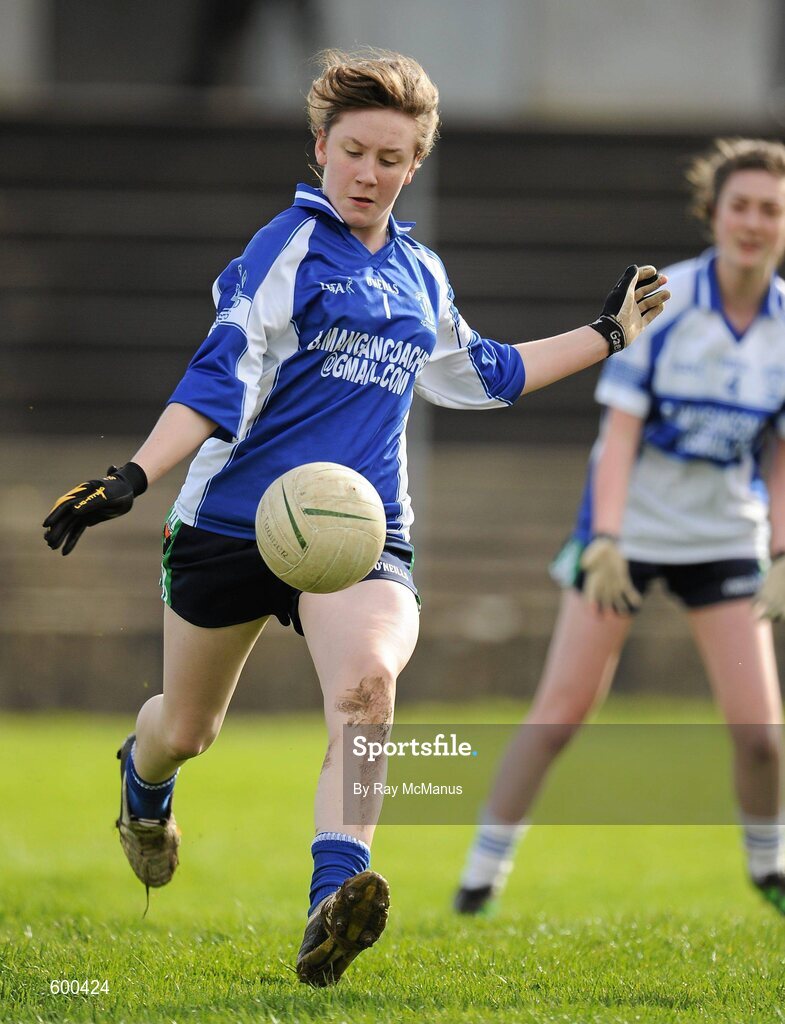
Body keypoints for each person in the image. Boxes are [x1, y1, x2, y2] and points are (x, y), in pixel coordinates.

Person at [42, 49, 668, 986]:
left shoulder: (420, 271)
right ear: (321, 149)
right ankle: (145, 781)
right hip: (232, 525)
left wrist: (609, 334)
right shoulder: (284, 251)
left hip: (359, 535)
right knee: (188, 728)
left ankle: (332, 902)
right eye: (355, 152)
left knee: (368, 687)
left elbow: (479, 373)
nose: (370, 173)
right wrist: (131, 476)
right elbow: (221, 377)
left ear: (414, 164)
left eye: (392, 157)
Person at [455, 137, 785, 920]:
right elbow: (620, 437)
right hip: (625, 536)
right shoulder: (663, 305)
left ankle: (769, 866)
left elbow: (778, 450)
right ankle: (480, 874)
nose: (753, 221)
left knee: (763, 735)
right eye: (739, 205)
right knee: (561, 712)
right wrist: (604, 540)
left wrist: (778, 547)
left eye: (770, 209)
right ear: (712, 214)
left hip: (723, 541)